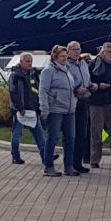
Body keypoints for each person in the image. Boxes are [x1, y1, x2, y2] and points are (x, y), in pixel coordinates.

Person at [38, 44, 79, 176]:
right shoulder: (48, 71)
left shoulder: (67, 70)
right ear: (55, 57)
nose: (64, 58)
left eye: (65, 56)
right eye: (62, 56)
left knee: (70, 138)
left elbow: (70, 88)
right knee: (53, 138)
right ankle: (48, 166)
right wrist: (44, 108)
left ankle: (69, 166)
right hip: (55, 109)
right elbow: (43, 91)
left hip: (69, 110)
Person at [87, 42, 111, 169]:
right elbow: (87, 81)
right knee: (96, 132)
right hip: (97, 103)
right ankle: (94, 160)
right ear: (103, 52)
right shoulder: (93, 64)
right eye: (109, 52)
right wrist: (98, 86)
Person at [7, 51, 43, 166]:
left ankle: (46, 156)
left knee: (39, 134)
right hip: (20, 111)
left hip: (33, 109)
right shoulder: (15, 75)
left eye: (31, 61)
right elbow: (13, 93)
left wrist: (39, 107)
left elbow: (38, 90)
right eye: (27, 61)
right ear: (21, 62)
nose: (30, 63)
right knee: (17, 134)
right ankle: (15, 156)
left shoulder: (34, 74)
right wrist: (20, 108)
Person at [65, 41, 93, 175]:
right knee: (72, 134)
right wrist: (76, 90)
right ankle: (70, 164)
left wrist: (91, 86)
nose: (77, 52)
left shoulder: (83, 64)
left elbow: (87, 80)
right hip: (72, 101)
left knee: (82, 133)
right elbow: (65, 84)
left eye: (78, 49)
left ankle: (78, 162)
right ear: (68, 51)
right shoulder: (66, 65)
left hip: (85, 101)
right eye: (74, 49)